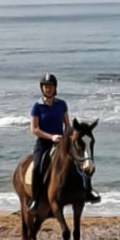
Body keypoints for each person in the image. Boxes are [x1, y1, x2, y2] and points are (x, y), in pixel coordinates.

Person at [31, 73, 100, 205]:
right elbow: (34, 129)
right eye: (45, 86)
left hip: (61, 142)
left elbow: (67, 125)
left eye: (50, 86)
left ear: (55, 87)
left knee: (83, 161)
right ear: (42, 88)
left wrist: (73, 135)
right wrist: (51, 136)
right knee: (37, 166)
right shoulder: (37, 107)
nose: (48, 89)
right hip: (44, 143)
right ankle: (35, 198)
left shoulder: (61, 104)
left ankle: (88, 191)